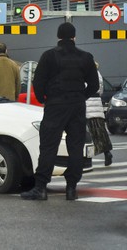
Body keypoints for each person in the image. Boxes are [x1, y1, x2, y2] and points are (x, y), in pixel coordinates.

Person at [21, 22, 99, 201]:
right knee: (75, 146)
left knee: (48, 146)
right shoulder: (86, 57)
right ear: (74, 37)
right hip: (77, 107)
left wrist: (44, 99)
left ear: (58, 37)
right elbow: (94, 85)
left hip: (55, 105)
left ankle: (40, 188)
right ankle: (71, 188)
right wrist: (81, 96)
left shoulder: (49, 56)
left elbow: (38, 82)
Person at [86, 64, 113, 166]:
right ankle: (107, 153)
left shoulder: (85, 74)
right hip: (97, 102)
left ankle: (85, 157)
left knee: (85, 132)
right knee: (100, 130)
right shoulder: (98, 74)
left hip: (87, 103)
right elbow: (101, 90)